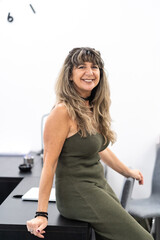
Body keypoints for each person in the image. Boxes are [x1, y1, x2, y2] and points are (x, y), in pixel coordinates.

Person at [27, 47, 153, 240]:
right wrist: (41, 214)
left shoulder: (91, 106)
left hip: (97, 185)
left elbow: (100, 149)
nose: (89, 72)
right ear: (70, 75)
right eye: (81, 67)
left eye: (95, 67)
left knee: (139, 226)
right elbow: (49, 164)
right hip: (77, 192)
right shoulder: (62, 112)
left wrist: (128, 172)